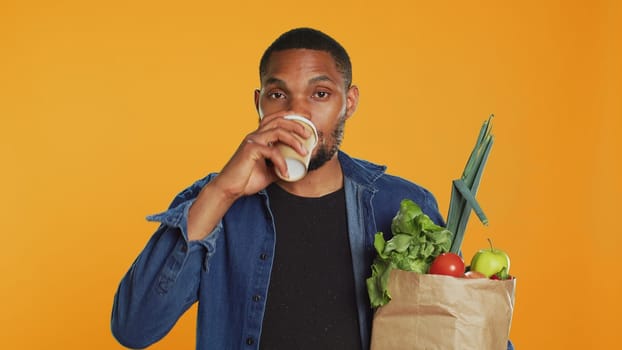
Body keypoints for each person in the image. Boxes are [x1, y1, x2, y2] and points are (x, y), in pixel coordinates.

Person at [111, 27, 513, 350]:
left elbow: (459, 328)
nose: (296, 111)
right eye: (277, 94)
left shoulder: (401, 206)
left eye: (320, 94)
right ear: (259, 104)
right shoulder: (215, 203)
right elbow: (134, 328)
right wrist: (222, 192)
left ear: (348, 102)